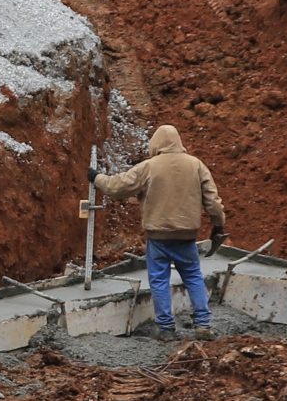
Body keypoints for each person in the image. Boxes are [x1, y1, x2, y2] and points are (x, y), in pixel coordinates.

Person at [92, 124, 227, 337]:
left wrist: (96, 177)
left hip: (158, 237)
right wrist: (218, 225)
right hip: (187, 235)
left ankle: (166, 329)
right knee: (193, 276)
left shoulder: (148, 167)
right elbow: (213, 201)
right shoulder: (196, 165)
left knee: (159, 281)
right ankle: (203, 324)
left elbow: (117, 187)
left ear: (155, 144)